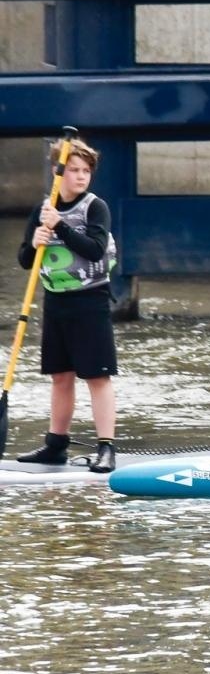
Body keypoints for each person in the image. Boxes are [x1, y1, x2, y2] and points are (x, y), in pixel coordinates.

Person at [14, 138, 120, 472]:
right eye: (73, 170)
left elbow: (94, 249)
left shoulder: (94, 207)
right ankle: (55, 444)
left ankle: (107, 447)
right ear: (58, 172)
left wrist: (60, 225)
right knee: (60, 376)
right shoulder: (43, 210)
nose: (80, 177)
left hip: (91, 300)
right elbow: (25, 261)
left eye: (85, 171)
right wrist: (35, 241)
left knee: (97, 376)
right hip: (56, 301)